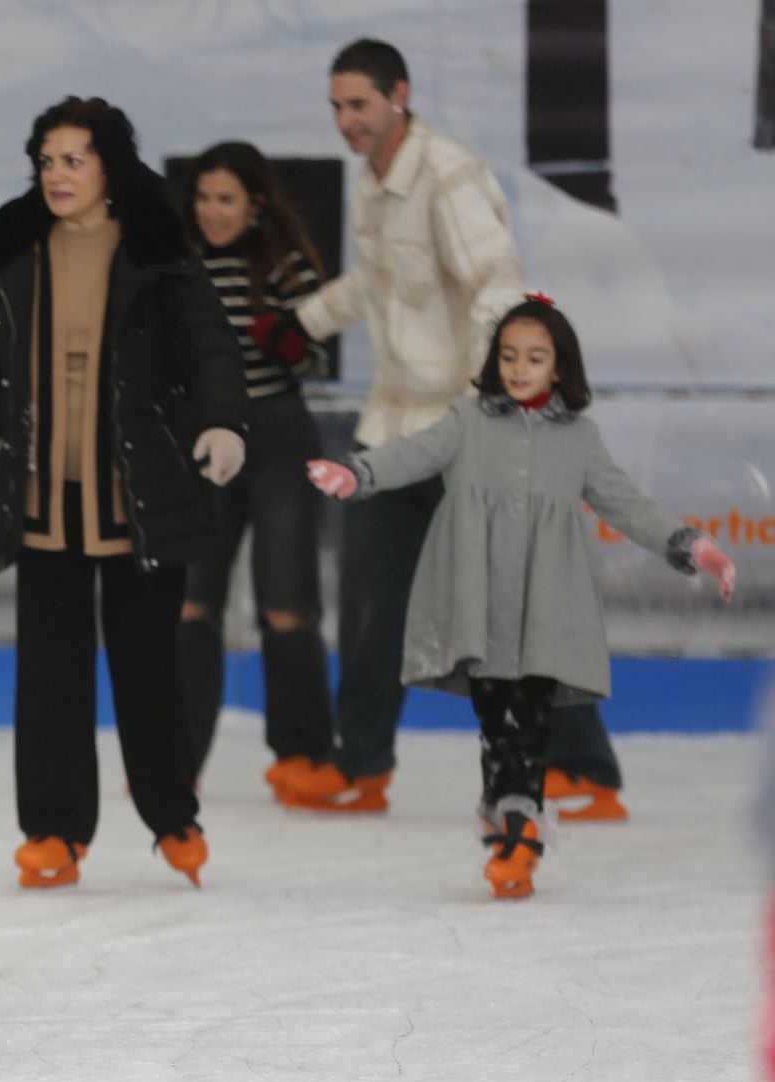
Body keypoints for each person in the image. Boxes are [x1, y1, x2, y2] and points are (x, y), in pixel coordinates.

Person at [280, 37, 632, 819]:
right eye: (337, 107)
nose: (347, 121)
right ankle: (361, 765)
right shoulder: (372, 179)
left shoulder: (448, 176)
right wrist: (300, 322)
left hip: (464, 430)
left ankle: (588, 771)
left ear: (398, 94)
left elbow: (496, 287)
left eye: (360, 105)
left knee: (516, 608)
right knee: (370, 602)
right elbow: (376, 281)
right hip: (395, 430)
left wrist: (493, 403)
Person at [307, 296, 735, 897]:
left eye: (534, 357)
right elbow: (412, 452)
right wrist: (360, 474)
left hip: (546, 611)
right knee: (497, 722)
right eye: (508, 355)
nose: (518, 367)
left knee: (527, 724)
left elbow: (628, 506)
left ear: (558, 367)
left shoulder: (580, 441)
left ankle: (517, 834)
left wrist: (692, 547)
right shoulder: (467, 420)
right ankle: (508, 819)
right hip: (480, 608)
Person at [0, 97, 249, 891]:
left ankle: (173, 816)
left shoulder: (155, 248)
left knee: (150, 672)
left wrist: (223, 424)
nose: (57, 174)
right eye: (46, 160)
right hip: (41, 506)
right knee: (49, 681)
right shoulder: (13, 256)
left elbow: (211, 349)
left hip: (138, 499)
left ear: (109, 164)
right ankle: (54, 832)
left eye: (74, 159)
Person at [174, 142, 335, 801]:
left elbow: (319, 359)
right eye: (204, 198)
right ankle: (178, 758)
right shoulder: (180, 265)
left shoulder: (285, 266)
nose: (212, 212)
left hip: (276, 439)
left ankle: (303, 755)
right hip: (207, 442)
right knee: (189, 604)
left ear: (256, 204)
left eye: (227, 200)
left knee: (284, 601)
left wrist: (286, 337)